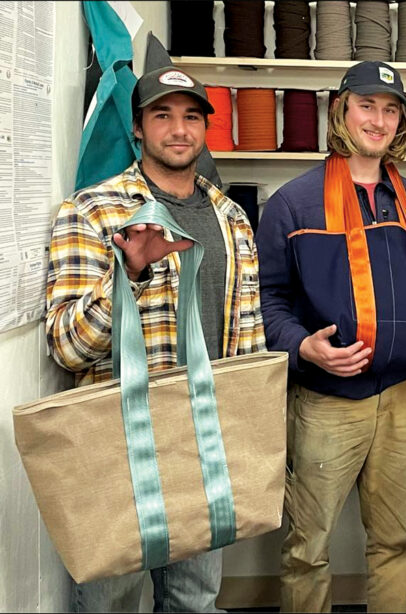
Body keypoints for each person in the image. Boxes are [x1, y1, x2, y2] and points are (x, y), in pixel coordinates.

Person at [45, 66, 264, 612]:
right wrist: (129, 276)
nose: (178, 129)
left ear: (206, 128)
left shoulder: (232, 218)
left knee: (196, 600)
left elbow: (249, 344)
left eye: (191, 116)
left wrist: (249, 438)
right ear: (138, 128)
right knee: (110, 602)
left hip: (206, 442)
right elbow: (68, 347)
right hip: (120, 445)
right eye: (161, 115)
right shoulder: (92, 211)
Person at [255, 61, 406, 613]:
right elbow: (267, 300)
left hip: (403, 397)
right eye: (366, 105)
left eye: (391, 109)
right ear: (340, 111)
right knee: (308, 548)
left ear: (402, 123)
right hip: (326, 404)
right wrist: (304, 346)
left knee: (396, 544)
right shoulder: (292, 204)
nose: (378, 119)